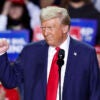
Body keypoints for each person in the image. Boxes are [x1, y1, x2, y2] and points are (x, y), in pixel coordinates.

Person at [0, 6, 100, 100]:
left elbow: (95, 92)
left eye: (50, 28)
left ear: (64, 28)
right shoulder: (30, 52)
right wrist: (1, 53)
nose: (45, 33)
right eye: (43, 28)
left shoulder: (86, 53)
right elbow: (10, 81)